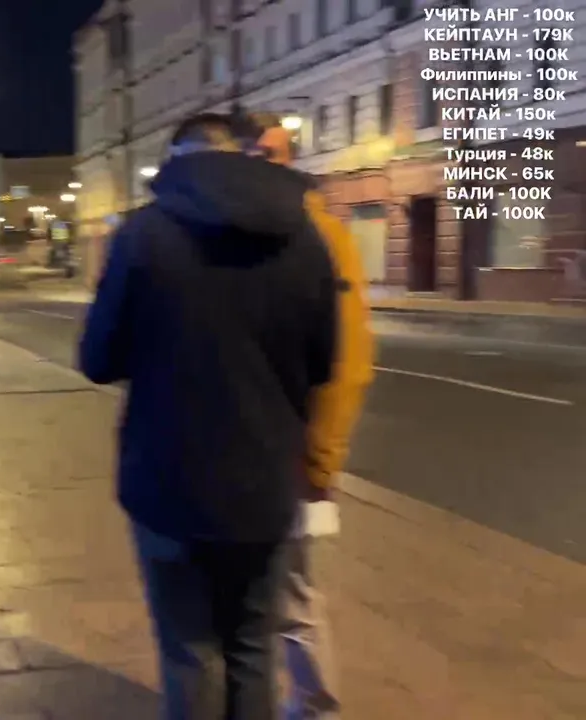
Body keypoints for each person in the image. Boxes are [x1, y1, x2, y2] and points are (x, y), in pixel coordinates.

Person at [78, 112, 338, 720]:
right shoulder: (302, 233)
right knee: (253, 646)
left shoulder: (144, 234)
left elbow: (97, 359)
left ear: (177, 162)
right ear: (239, 154)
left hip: (168, 479)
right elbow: (324, 361)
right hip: (266, 481)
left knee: (191, 651)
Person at [242, 112, 375, 720]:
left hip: (292, 455)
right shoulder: (233, 229)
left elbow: (347, 361)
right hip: (234, 449)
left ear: (290, 160)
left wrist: (320, 461)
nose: (263, 166)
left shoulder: (321, 233)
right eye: (252, 155)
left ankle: (314, 707)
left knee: (291, 592)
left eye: (273, 154)